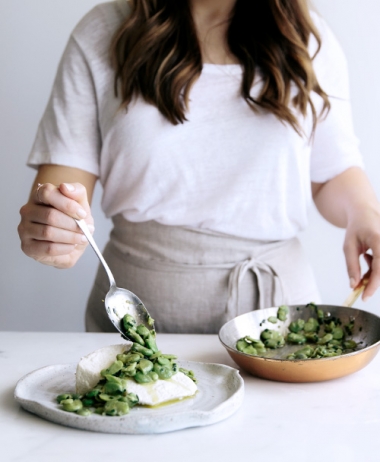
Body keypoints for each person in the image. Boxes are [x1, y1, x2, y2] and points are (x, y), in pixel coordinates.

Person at [18, 0, 380, 334]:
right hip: (136, 321)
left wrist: (363, 213)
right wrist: (55, 228)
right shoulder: (102, 31)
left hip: (280, 323)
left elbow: (333, 171)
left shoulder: (306, 37)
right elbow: (63, 186)